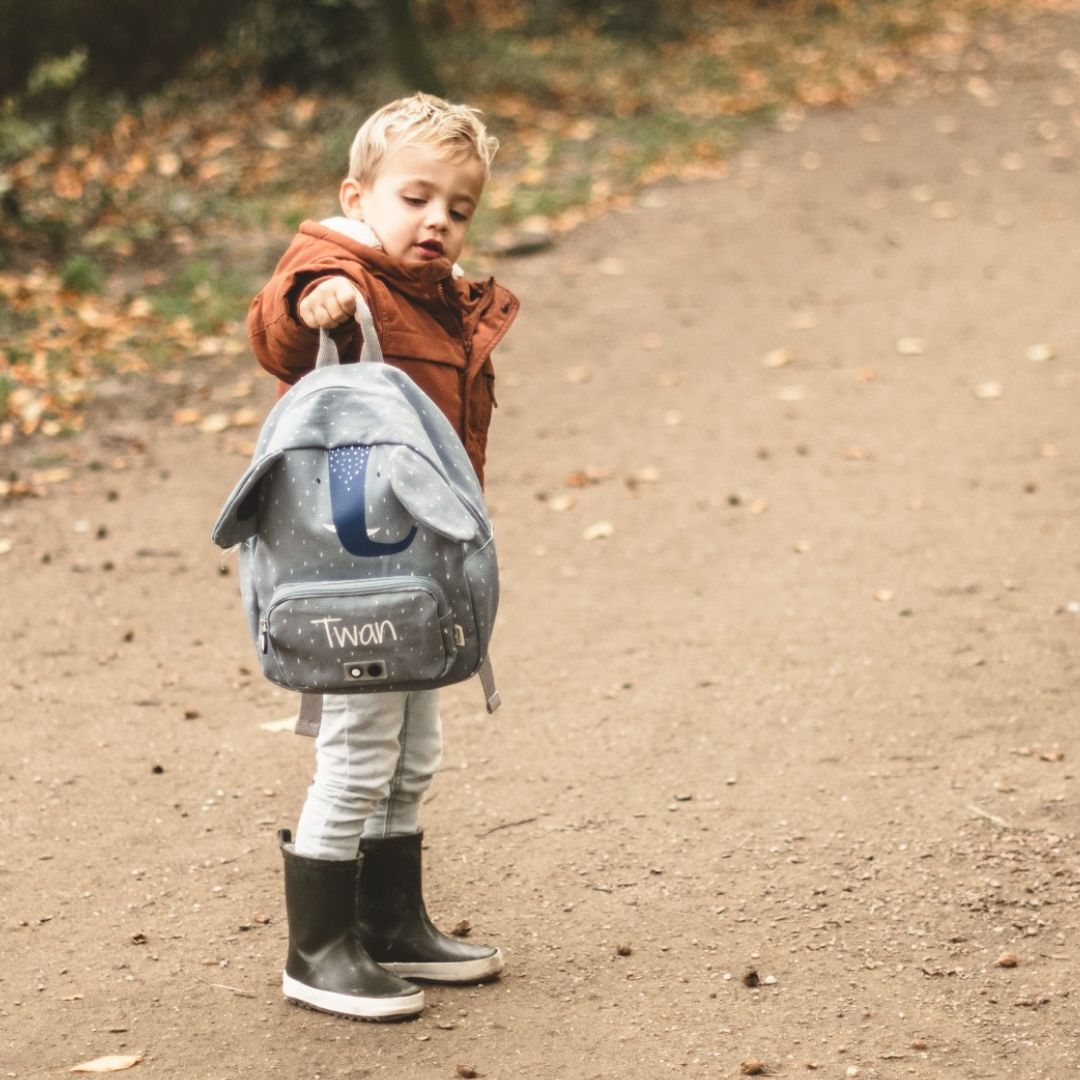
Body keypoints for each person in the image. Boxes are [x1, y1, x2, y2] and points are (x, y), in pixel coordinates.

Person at [247, 92, 519, 1022]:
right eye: (415, 198)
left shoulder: (434, 296)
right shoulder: (337, 273)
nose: (437, 220)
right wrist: (315, 301)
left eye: (458, 208)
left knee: (414, 750)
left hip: (413, 563)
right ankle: (316, 949)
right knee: (358, 752)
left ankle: (392, 923)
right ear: (357, 196)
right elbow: (280, 329)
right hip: (348, 570)